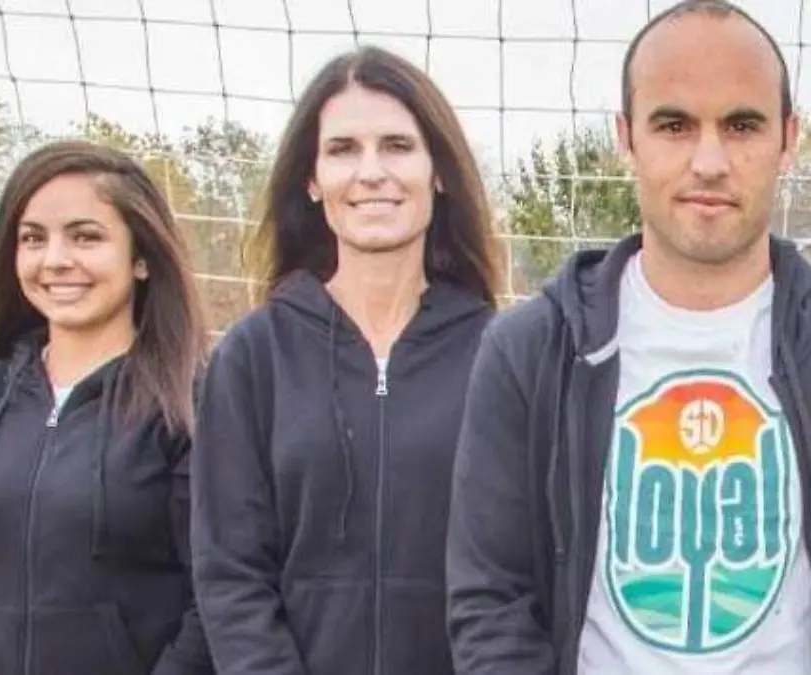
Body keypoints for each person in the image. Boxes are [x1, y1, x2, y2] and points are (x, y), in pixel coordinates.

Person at [446, 2, 811, 674]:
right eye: (674, 125)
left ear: (790, 138)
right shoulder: (532, 350)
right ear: (626, 137)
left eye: (742, 125)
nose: (709, 161)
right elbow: (492, 600)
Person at [191, 45, 502, 674]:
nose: (371, 172)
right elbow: (231, 575)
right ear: (312, 180)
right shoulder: (253, 356)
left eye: (397, 146)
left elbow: (519, 573)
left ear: (438, 172)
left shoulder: (502, 355)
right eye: (342, 150)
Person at [0, 139, 213, 675]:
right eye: (33, 238)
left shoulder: (193, 408)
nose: (56, 260)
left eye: (86, 236)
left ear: (141, 258)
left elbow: (216, 595)